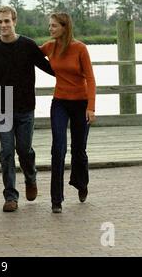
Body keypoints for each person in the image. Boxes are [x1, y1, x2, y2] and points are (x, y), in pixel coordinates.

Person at [0, 5, 55, 212]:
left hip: (26, 106)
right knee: (6, 151)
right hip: (4, 105)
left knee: (24, 150)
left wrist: (76, 78)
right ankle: (10, 196)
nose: (3, 25)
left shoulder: (27, 45)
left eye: (7, 21)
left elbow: (49, 67)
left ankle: (30, 177)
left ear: (14, 21)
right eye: (0, 21)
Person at [40, 12, 96, 214]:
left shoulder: (79, 48)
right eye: (50, 25)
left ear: (65, 27)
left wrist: (91, 107)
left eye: (54, 26)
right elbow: (30, 53)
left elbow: (90, 78)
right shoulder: (50, 46)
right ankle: (56, 199)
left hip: (81, 104)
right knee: (58, 148)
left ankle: (81, 183)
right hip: (60, 103)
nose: (50, 29)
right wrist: (4, 42)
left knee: (78, 149)